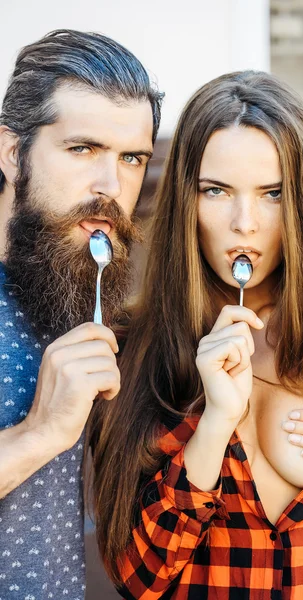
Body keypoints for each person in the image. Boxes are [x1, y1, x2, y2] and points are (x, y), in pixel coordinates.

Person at [89, 71, 303, 599]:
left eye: (272, 193)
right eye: (216, 190)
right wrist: (212, 427)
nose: (244, 223)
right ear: (186, 200)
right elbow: (138, 580)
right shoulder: (129, 350)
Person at [0, 29, 162, 599]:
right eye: (82, 149)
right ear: (13, 152)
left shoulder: (67, 286)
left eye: (132, 158)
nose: (110, 186)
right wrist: (38, 434)